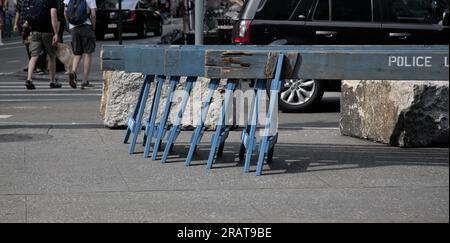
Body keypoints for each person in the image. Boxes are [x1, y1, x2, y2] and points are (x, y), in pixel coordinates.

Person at [24, 0, 61, 90]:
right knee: (51, 56)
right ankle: (52, 81)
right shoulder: (52, 1)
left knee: (34, 56)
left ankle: (29, 79)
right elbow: (53, 16)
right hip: (48, 32)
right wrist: (56, 33)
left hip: (35, 31)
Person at [64, 0, 97, 89]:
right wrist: (93, 27)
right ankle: (84, 81)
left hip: (74, 28)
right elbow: (93, 14)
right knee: (88, 53)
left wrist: (69, 25)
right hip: (86, 26)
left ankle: (73, 72)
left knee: (77, 53)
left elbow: (65, 12)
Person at [14, 0, 48, 74]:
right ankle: (33, 65)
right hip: (23, 26)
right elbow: (18, 11)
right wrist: (15, 24)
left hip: (33, 24)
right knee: (28, 46)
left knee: (39, 46)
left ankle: (41, 67)